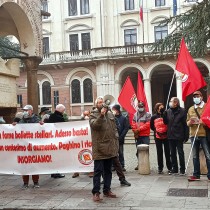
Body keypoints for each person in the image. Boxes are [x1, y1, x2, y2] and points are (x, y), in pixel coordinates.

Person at [89, 96, 118, 202]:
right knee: (98, 171)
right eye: (99, 102)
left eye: (102, 102)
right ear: (96, 104)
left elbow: (114, 127)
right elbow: (95, 126)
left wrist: (116, 137)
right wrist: (101, 115)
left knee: (108, 171)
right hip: (99, 147)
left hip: (110, 146)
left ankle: (107, 189)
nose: (101, 104)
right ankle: (96, 192)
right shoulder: (93, 114)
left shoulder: (110, 113)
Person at [15, 105, 41, 189]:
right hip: (24, 146)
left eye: (26, 110)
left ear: (31, 111)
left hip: (33, 146)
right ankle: (25, 182)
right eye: (24, 110)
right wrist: (14, 125)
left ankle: (35, 182)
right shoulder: (21, 120)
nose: (25, 112)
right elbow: (17, 130)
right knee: (24, 164)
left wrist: (41, 125)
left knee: (34, 164)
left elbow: (41, 130)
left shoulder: (36, 119)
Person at [186, 91, 210, 181]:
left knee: (208, 155)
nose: (196, 98)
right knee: (195, 156)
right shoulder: (191, 108)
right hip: (193, 134)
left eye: (198, 96)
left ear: (201, 97)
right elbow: (187, 122)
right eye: (194, 96)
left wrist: (203, 122)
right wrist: (190, 122)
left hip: (204, 134)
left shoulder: (207, 107)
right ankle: (196, 175)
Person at [163, 97, 188, 175]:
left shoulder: (182, 111)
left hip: (179, 135)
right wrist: (164, 115)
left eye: (171, 101)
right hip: (170, 135)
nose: (170, 103)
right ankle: (175, 168)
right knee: (172, 153)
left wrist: (186, 135)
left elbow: (185, 124)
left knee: (180, 152)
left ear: (176, 103)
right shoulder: (168, 111)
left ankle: (182, 169)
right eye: (170, 101)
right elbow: (166, 122)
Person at [150, 103, 172, 174]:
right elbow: (152, 126)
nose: (162, 108)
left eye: (163, 107)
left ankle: (169, 167)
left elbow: (167, 123)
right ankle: (160, 167)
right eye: (160, 107)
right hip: (158, 136)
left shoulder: (166, 115)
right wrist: (157, 131)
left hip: (166, 136)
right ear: (157, 108)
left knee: (167, 152)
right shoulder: (154, 117)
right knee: (159, 152)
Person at [72, 110, 94, 178]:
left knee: (90, 155)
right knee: (78, 155)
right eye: (85, 115)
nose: (86, 116)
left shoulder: (93, 120)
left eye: (87, 114)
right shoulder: (80, 122)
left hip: (90, 141)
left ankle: (91, 171)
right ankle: (76, 171)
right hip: (82, 142)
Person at [131, 101, 151, 170]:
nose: (140, 108)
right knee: (138, 150)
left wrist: (138, 129)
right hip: (138, 135)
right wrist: (135, 130)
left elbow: (147, 125)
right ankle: (139, 163)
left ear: (144, 107)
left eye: (141, 106)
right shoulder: (135, 114)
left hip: (145, 135)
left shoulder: (148, 114)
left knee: (146, 150)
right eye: (139, 107)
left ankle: (146, 163)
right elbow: (133, 123)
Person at [48, 104, 66, 178]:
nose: (64, 112)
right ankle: (56, 172)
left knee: (53, 157)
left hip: (51, 140)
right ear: (61, 110)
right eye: (63, 110)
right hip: (58, 140)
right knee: (57, 157)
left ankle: (53, 172)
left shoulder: (51, 116)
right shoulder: (60, 118)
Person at [112, 104, 129, 171]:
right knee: (113, 153)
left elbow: (126, 128)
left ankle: (122, 165)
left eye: (114, 109)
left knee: (120, 152)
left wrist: (121, 136)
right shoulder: (111, 117)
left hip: (120, 138)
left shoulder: (123, 118)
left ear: (117, 110)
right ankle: (113, 165)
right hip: (113, 138)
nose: (113, 111)